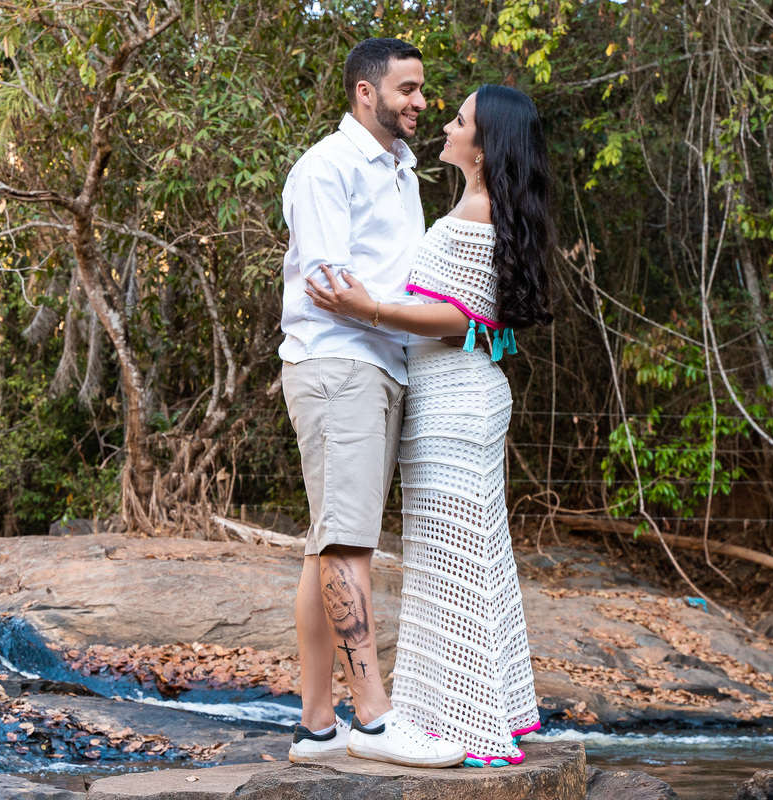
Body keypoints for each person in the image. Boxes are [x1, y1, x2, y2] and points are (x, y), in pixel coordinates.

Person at [305, 84, 555, 768]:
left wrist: (369, 309)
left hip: (455, 401)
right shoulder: (482, 206)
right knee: (461, 556)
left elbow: (461, 317)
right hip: (455, 398)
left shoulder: (478, 208)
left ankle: (471, 724)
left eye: (460, 119)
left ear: (486, 143)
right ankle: (475, 712)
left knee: (454, 561)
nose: (444, 124)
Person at [279, 37, 468, 769]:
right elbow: (334, 289)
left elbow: (375, 289)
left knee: (327, 542)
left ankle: (318, 729)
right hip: (340, 365)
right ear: (367, 93)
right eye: (408, 89)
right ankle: (375, 720)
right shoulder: (326, 168)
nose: (422, 102)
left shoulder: (401, 173)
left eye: (423, 91)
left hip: (379, 365)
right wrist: (398, 317)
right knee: (349, 542)